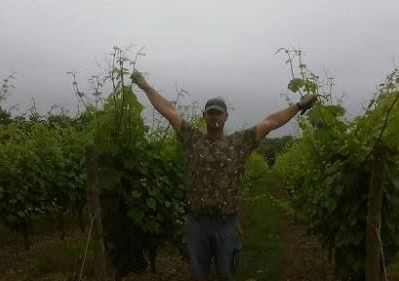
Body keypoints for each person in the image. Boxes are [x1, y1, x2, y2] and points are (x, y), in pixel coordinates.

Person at [131, 71, 317, 281]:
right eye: (210, 113)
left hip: (227, 223)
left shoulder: (240, 142)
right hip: (197, 222)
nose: (214, 117)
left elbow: (270, 123)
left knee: (226, 275)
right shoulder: (192, 138)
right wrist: (145, 86)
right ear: (204, 116)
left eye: (218, 113)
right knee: (197, 275)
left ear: (226, 116)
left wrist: (299, 106)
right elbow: (169, 110)